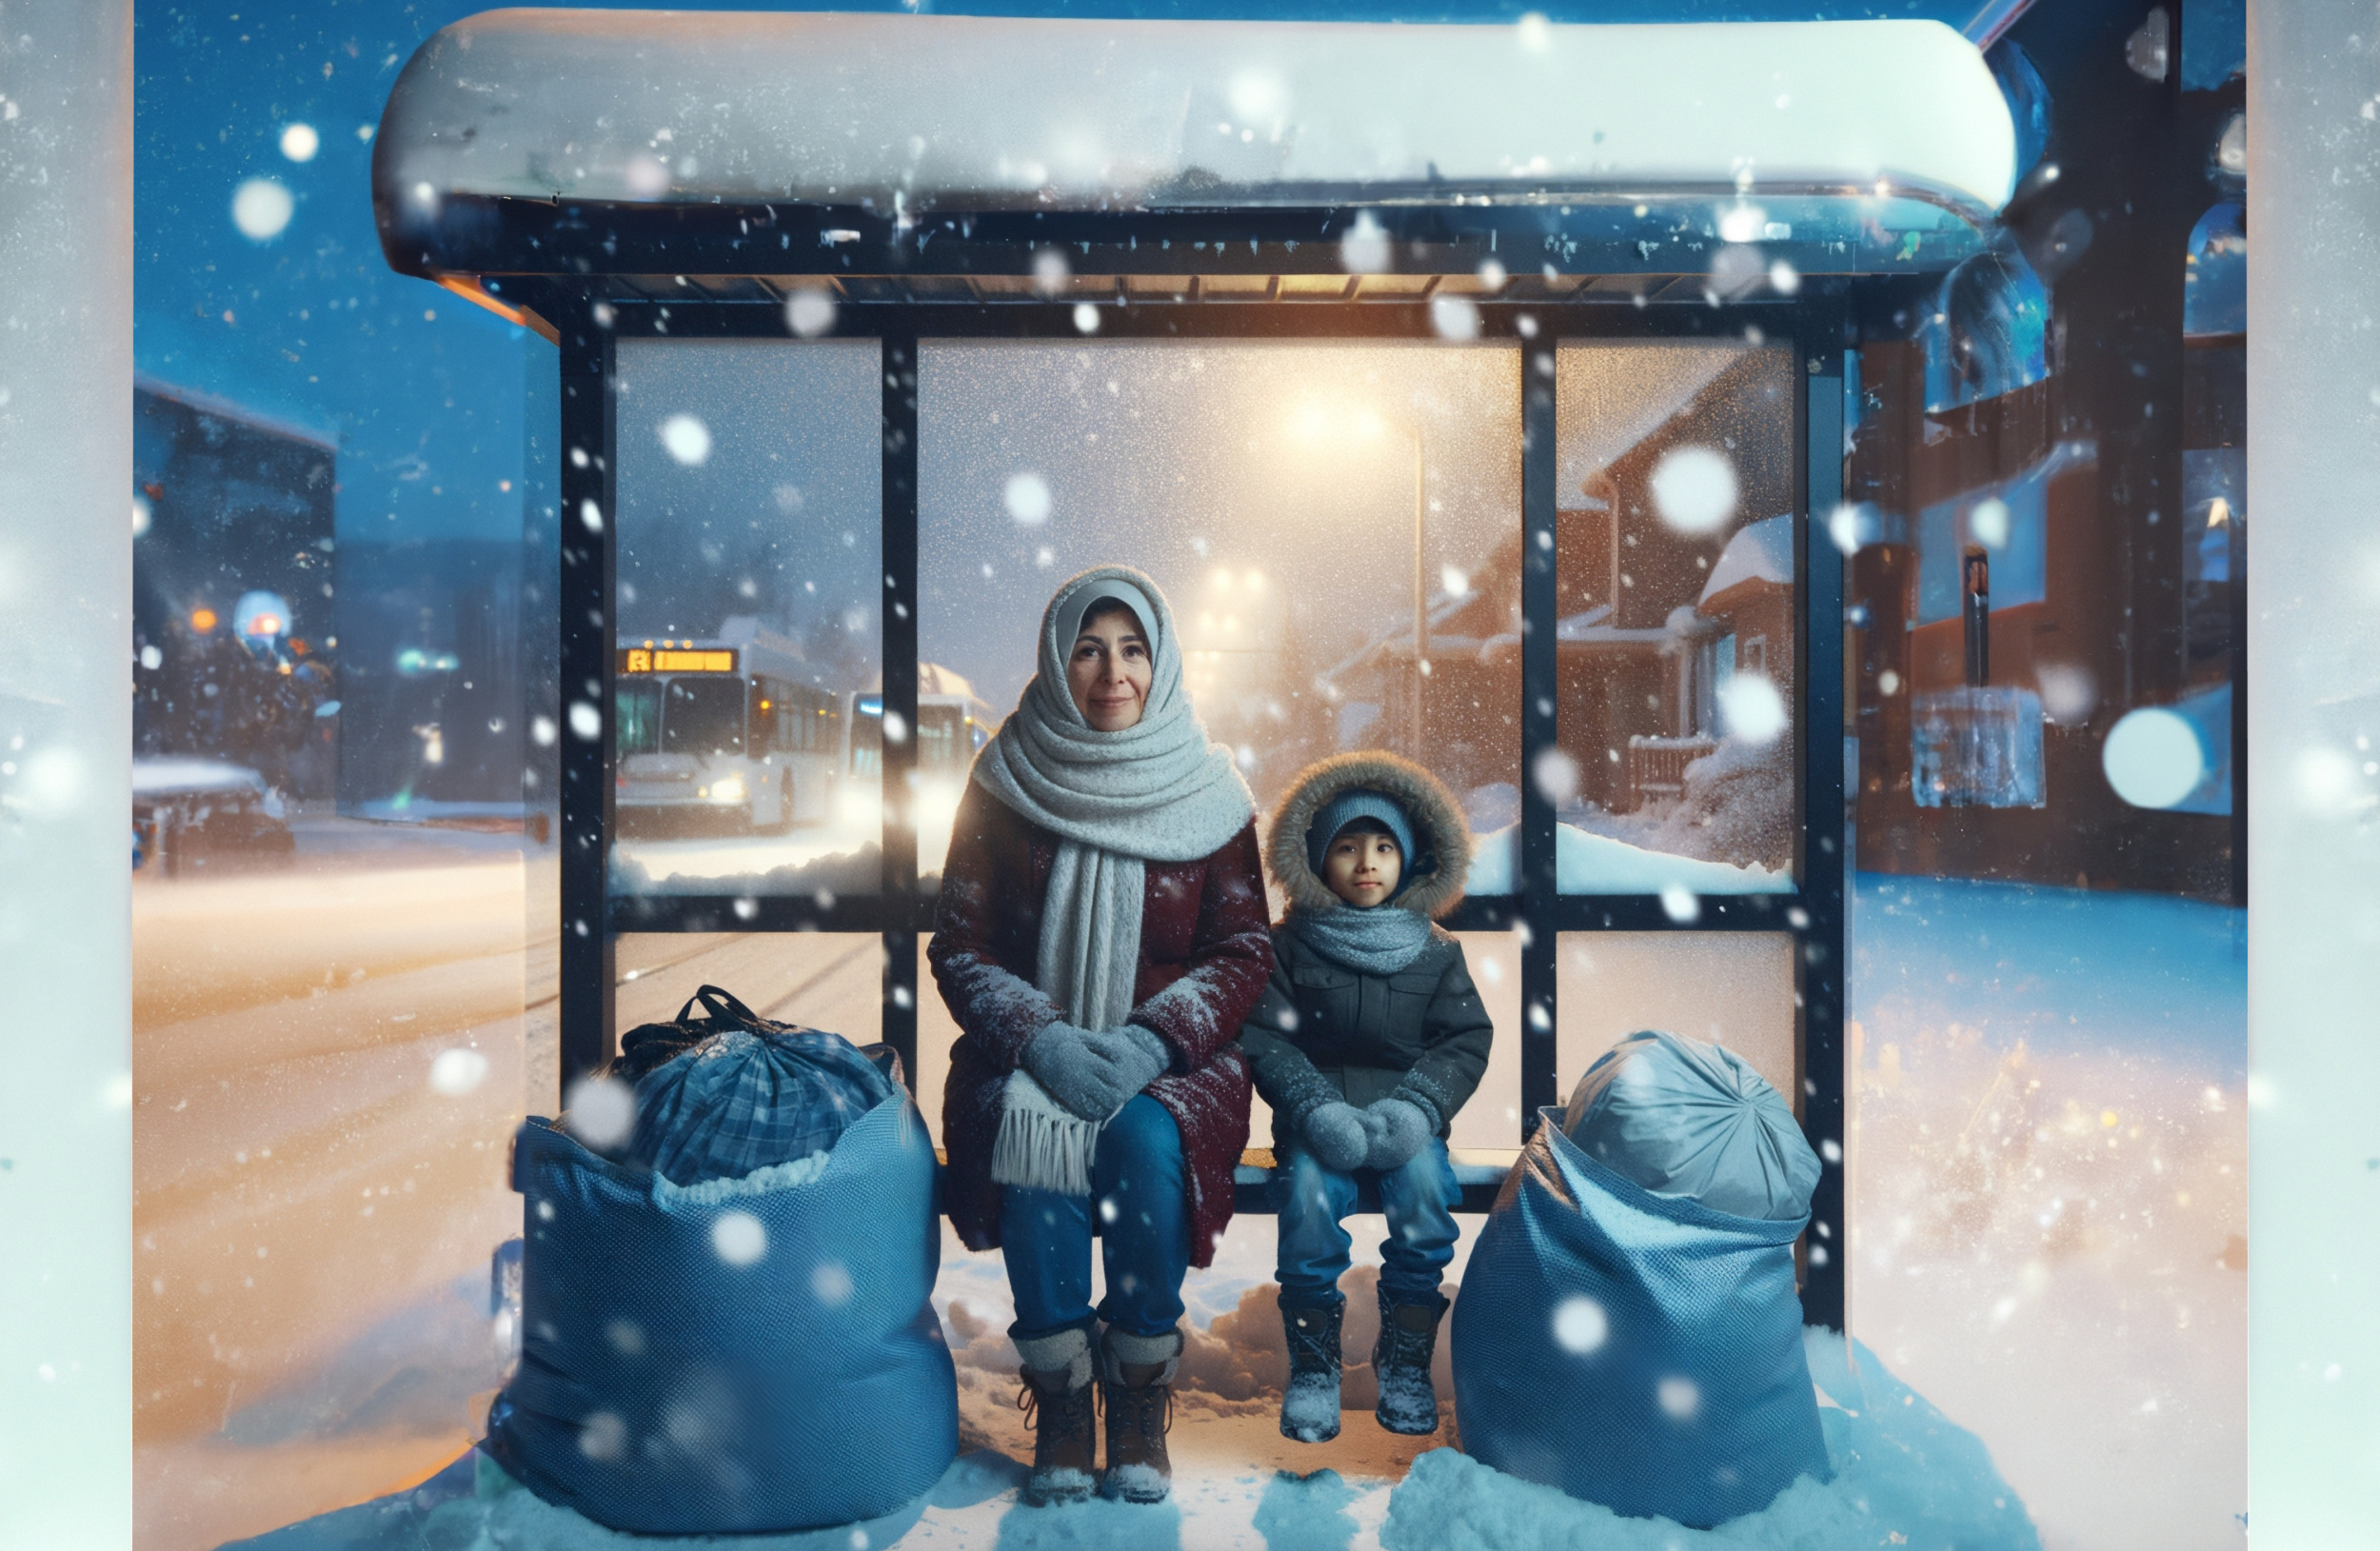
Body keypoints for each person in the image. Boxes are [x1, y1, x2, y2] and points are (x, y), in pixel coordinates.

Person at [928, 566, 1272, 1507]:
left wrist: (1148, 1044)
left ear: (1159, 663)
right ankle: (1064, 1399)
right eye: (1088, 648)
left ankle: (1136, 1396)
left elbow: (1242, 948)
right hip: (1027, 1054)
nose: (1110, 671)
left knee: (1141, 1139)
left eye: (1130, 649)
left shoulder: (1209, 792)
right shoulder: (1003, 783)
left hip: (1170, 1064)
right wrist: (1043, 1042)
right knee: (1042, 1131)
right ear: (1054, 659)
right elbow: (961, 946)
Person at [1235, 752, 1492, 1442]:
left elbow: (1463, 1040)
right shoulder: (1288, 948)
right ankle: (1314, 1364)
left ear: (1408, 860)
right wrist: (1313, 1108)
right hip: (1318, 1123)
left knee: (1427, 1201)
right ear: (1319, 861)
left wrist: (1419, 1110)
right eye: (1346, 847)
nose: (1366, 862)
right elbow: (1264, 1037)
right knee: (1310, 1206)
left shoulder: (1435, 951)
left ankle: (1405, 1354)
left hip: (1406, 1121)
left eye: (1383, 846)